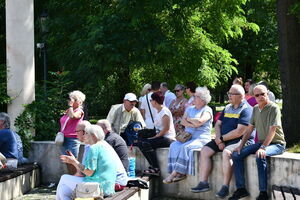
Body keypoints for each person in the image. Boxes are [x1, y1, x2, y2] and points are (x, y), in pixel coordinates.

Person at [190, 85, 254, 199]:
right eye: (228, 93)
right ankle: (204, 183)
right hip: (223, 138)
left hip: (240, 140)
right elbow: (218, 124)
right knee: (204, 150)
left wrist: (222, 139)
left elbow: (239, 132)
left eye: (232, 94)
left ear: (241, 96)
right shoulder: (228, 107)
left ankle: (225, 187)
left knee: (226, 153)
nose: (228, 96)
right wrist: (219, 140)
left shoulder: (247, 109)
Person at [229, 85, 286, 200]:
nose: (260, 97)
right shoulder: (255, 108)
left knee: (260, 156)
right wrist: (240, 146)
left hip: (277, 144)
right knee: (236, 154)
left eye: (263, 94)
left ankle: (263, 194)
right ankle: (241, 189)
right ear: (254, 96)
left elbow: (272, 130)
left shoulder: (273, 108)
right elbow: (249, 128)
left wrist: (263, 147)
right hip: (262, 143)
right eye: (257, 95)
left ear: (267, 93)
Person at [163, 87, 212, 184]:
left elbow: (200, 121)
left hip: (201, 138)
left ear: (202, 100)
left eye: (196, 96)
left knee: (185, 147)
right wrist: (193, 123)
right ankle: (179, 173)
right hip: (188, 137)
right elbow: (183, 121)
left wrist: (189, 120)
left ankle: (174, 174)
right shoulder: (190, 109)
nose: (193, 97)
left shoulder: (207, 110)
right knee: (174, 145)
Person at [56, 125, 119, 199]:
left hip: (98, 187)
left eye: (86, 133)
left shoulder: (94, 148)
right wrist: (74, 161)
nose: (84, 135)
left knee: (64, 178)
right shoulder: (105, 145)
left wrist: (74, 162)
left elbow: (89, 172)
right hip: (107, 187)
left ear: (93, 136)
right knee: (63, 190)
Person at [138, 91, 176, 176]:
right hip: (161, 136)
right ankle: (152, 166)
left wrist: (155, 137)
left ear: (155, 101)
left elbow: (166, 128)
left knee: (146, 143)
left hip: (168, 138)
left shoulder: (165, 112)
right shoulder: (159, 111)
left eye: (151, 100)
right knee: (140, 143)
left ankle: (156, 168)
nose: (150, 101)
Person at [60, 90, 85, 158]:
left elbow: (73, 116)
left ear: (79, 102)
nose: (70, 100)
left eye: (74, 99)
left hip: (72, 139)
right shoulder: (69, 110)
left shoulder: (79, 111)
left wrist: (71, 106)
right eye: (70, 98)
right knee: (66, 160)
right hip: (64, 138)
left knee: (73, 161)